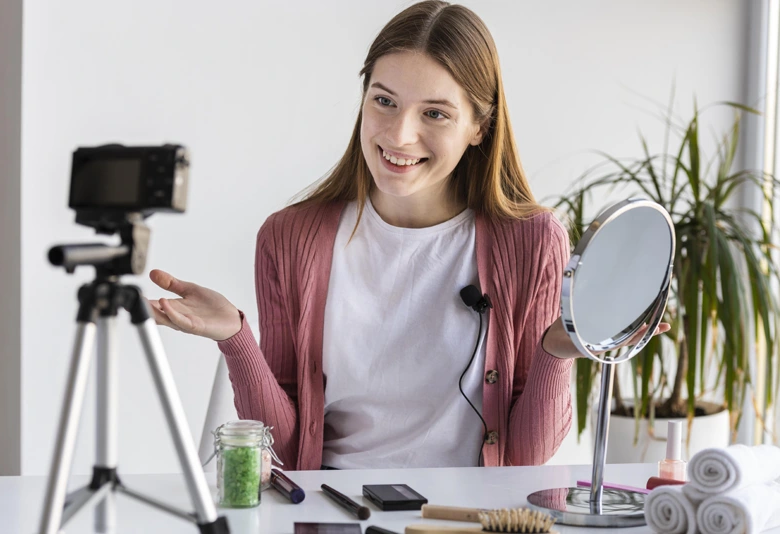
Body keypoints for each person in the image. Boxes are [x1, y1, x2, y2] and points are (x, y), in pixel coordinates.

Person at [148, 0, 668, 471]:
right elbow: (285, 447)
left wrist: (557, 349)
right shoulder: (290, 237)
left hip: (466, 519)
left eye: (435, 113)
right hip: (336, 512)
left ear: (479, 127)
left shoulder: (531, 240)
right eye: (385, 101)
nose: (399, 135)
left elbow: (527, 455)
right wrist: (236, 340)